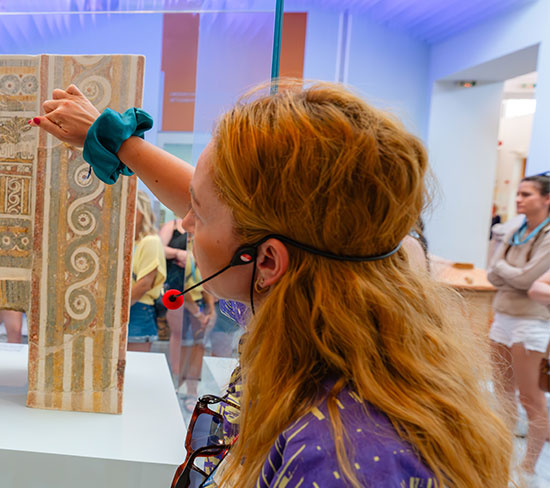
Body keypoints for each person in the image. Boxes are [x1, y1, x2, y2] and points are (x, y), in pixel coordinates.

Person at [32, 82, 511, 486]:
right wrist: (118, 143)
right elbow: (246, 220)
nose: (186, 222)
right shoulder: (344, 277)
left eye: (198, 210)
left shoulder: (339, 457)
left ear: (267, 262)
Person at [488, 175, 550, 484]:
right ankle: (501, 456)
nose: (519, 199)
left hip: (530, 322)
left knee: (530, 397)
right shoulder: (515, 228)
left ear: (546, 199)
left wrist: (508, 273)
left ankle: (528, 467)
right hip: (503, 316)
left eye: (527, 194)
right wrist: (512, 275)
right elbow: (493, 273)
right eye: (519, 193)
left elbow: (529, 282)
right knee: (501, 392)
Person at [127, 190, 167, 352]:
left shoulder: (150, 241)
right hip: (129, 308)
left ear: (140, 211)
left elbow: (144, 284)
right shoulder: (131, 242)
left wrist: (118, 310)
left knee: (135, 368)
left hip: (137, 311)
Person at [178, 250, 216, 411]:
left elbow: (205, 287)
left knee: (198, 349)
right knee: (184, 350)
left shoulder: (201, 258)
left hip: (198, 308)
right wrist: (198, 314)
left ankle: (191, 392)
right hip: (184, 309)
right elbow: (181, 288)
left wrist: (211, 312)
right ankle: (180, 388)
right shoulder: (184, 259)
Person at [160, 218, 189, 378]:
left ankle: (188, 377)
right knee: (177, 332)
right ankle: (176, 372)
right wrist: (178, 253)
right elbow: (160, 249)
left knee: (194, 336)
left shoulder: (201, 225)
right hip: (174, 287)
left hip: (196, 286)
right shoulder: (171, 225)